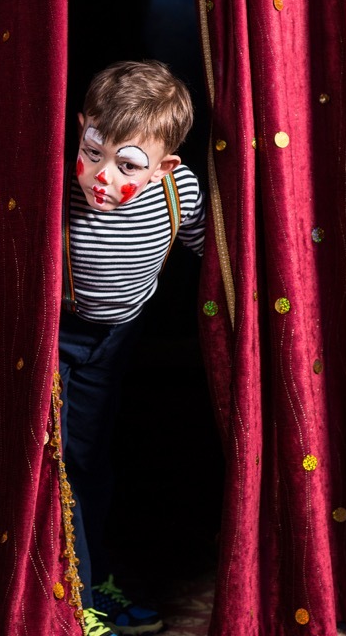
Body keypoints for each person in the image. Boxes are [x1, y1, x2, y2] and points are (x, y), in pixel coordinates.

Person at [59, 60, 205, 636]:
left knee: (91, 462)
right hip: (60, 342)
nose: (101, 174)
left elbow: (218, 251)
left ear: (164, 166)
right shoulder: (60, 190)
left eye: (127, 165)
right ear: (81, 128)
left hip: (118, 342)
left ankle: (98, 584)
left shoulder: (180, 192)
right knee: (62, 468)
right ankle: (77, 600)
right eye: (93, 150)